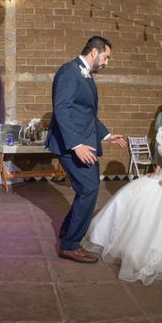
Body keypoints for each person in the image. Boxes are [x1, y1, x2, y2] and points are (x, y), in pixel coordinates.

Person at [82, 95, 162, 284]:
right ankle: (108, 237)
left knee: (160, 202)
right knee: (132, 194)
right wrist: (156, 172)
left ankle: (148, 252)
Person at [46, 35, 126, 264]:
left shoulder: (86, 75)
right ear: (94, 52)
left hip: (83, 141)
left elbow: (87, 114)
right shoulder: (69, 71)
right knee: (90, 189)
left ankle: (66, 230)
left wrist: (108, 135)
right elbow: (61, 108)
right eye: (106, 57)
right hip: (72, 144)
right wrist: (76, 145)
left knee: (87, 190)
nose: (107, 62)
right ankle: (70, 245)